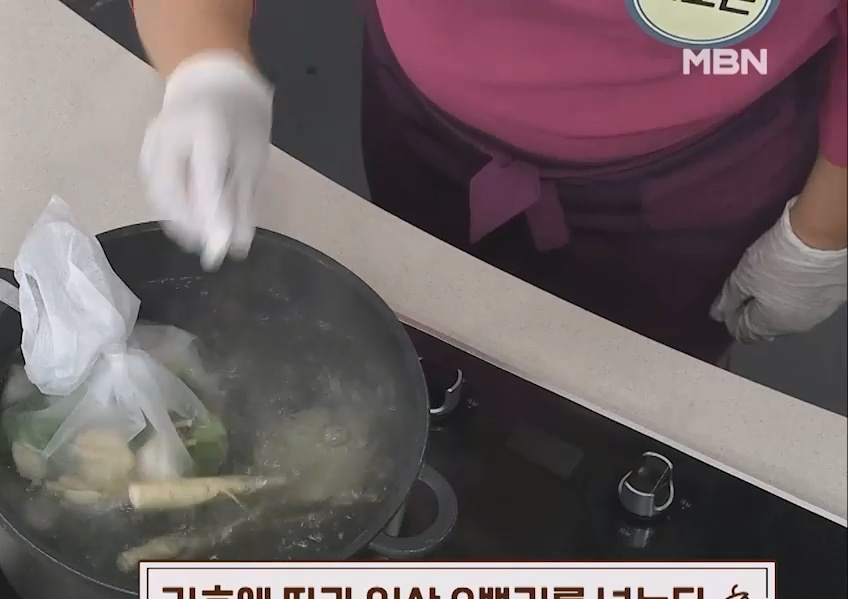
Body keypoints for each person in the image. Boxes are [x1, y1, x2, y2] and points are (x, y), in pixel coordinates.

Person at [132, 0, 847, 363]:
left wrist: (821, 234)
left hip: (690, 188)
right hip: (427, 132)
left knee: (648, 403)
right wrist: (204, 63)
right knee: (424, 340)